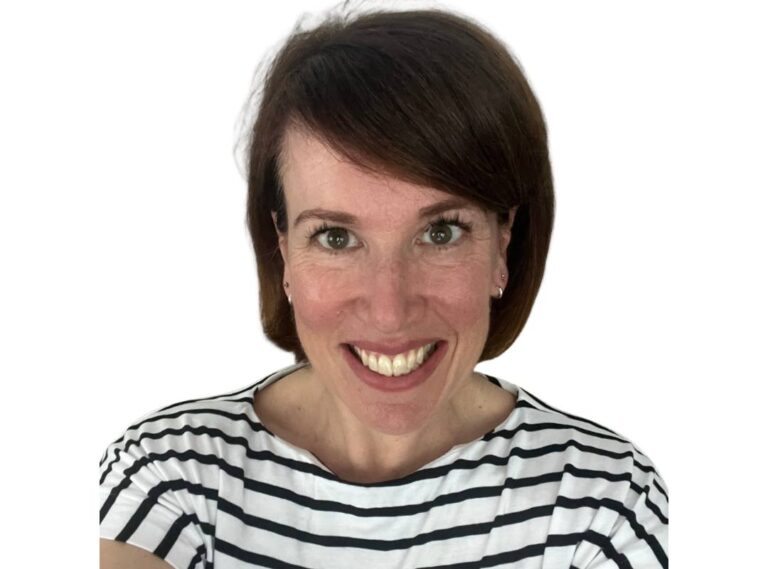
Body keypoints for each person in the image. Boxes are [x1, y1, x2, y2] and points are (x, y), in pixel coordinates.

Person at [99, 6, 668, 568]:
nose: (389, 311)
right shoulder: (167, 478)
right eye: (336, 238)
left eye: (441, 233)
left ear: (502, 245)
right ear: (283, 251)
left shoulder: (606, 503)